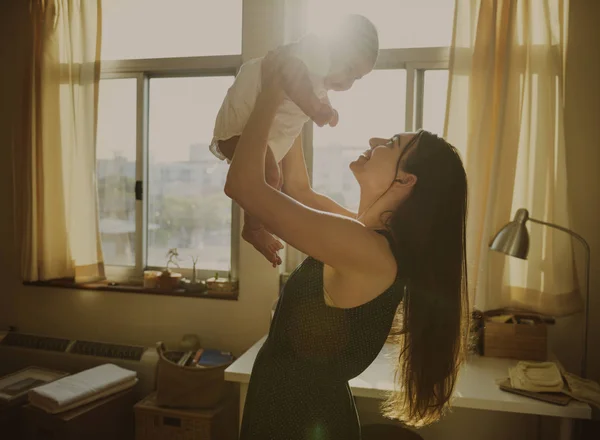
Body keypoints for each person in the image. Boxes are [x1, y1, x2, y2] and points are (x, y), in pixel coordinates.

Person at [224, 49, 469, 439]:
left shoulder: (366, 251)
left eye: (391, 143)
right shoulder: (363, 238)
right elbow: (298, 189)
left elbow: (242, 185)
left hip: (298, 425)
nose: (374, 139)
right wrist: (295, 98)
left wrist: (272, 88)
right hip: (293, 417)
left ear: (406, 182)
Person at [210, 14, 379, 267]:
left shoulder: (313, 81)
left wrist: (363, 224)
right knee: (271, 175)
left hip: (260, 131)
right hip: (239, 126)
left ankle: (255, 225)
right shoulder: (305, 57)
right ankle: (253, 228)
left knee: (273, 177)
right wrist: (318, 110)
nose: (348, 82)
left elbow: (299, 190)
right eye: (350, 70)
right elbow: (292, 78)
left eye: (356, 78)